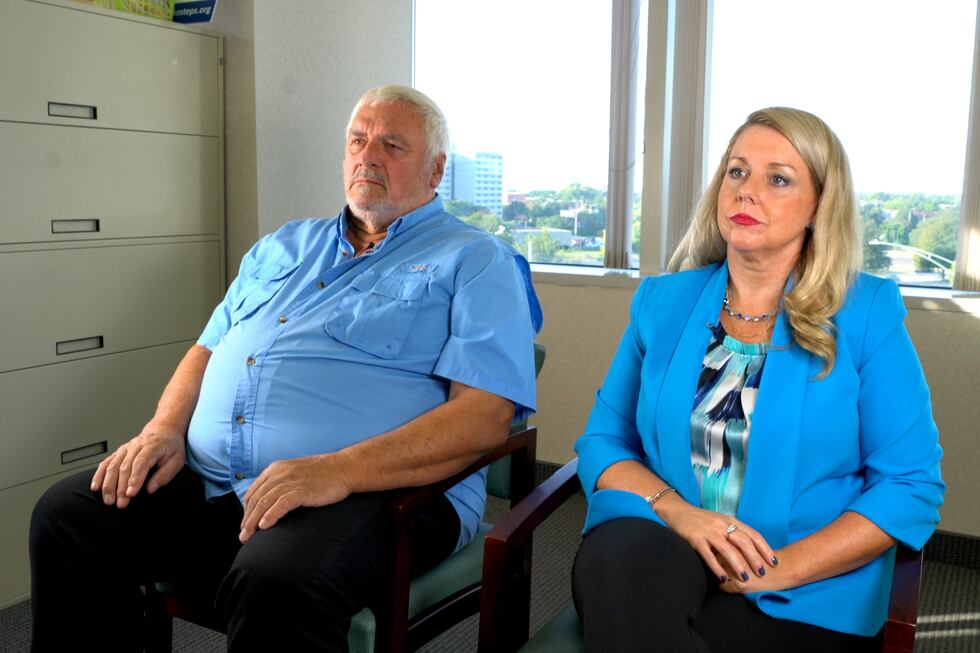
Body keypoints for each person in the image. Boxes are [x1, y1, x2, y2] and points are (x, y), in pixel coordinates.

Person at [29, 85, 542, 652]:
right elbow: (208, 348)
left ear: (436, 169)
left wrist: (338, 470)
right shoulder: (284, 244)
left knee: (277, 577)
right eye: (357, 140)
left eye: (392, 145)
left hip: (375, 491)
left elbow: (484, 417)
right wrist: (163, 428)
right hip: (214, 481)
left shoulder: (476, 259)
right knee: (68, 518)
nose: (367, 156)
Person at [571, 107, 944, 652]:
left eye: (778, 179)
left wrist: (778, 570)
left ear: (819, 205)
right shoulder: (662, 301)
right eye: (737, 172)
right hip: (662, 542)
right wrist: (682, 515)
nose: (747, 192)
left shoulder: (865, 313)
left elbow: (910, 484)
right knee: (624, 569)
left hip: (801, 580)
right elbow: (604, 441)